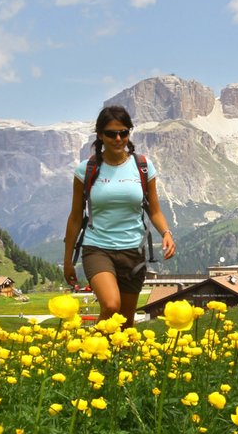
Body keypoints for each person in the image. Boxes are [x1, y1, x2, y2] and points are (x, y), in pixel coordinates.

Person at [63, 105, 175, 328]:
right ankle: (91, 351)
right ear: (100, 135)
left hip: (133, 251)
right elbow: (75, 217)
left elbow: (154, 210)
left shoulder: (142, 166)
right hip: (97, 248)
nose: (118, 138)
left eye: (124, 132)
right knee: (111, 306)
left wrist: (166, 232)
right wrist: (68, 260)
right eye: (111, 133)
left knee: (125, 323)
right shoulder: (86, 170)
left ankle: (113, 361)